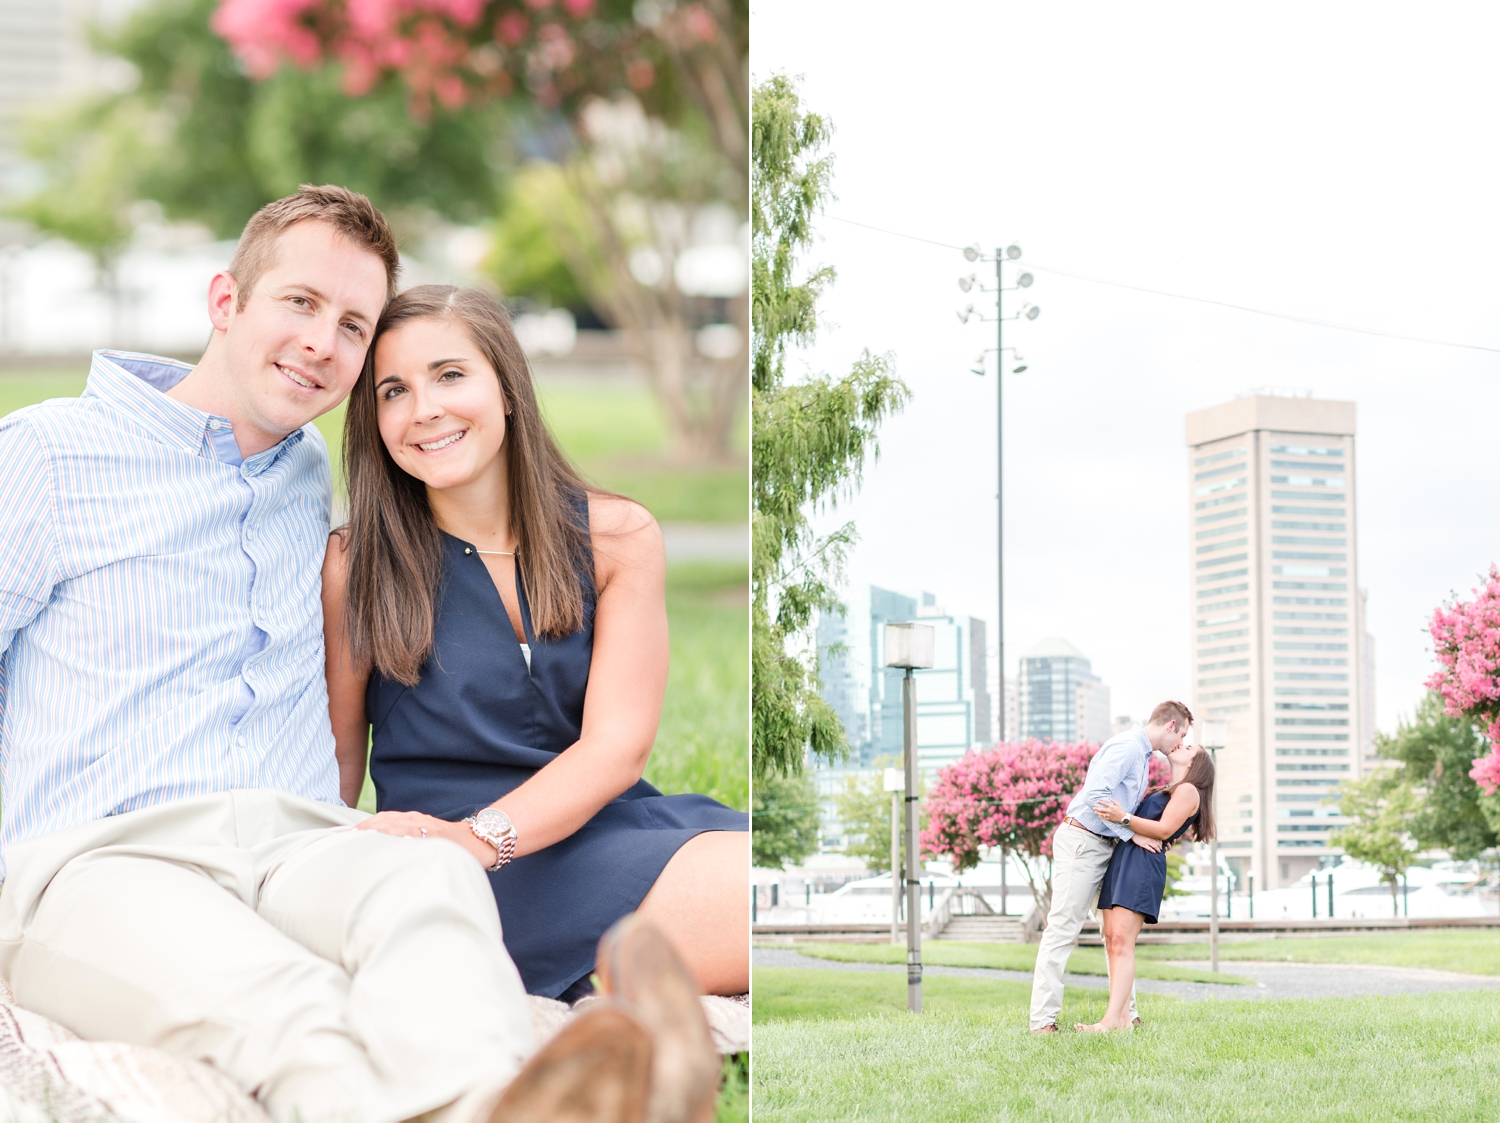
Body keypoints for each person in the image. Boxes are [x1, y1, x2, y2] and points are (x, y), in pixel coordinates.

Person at [0, 185, 685, 1123]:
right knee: (290, 1006)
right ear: (225, 301)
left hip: (300, 842)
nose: (324, 342)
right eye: (300, 303)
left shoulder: (301, 470)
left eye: (353, 324)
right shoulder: (45, 457)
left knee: (430, 884)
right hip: (104, 858)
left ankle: (503, 1102)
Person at [322, 284, 750, 1005]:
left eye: (451, 375)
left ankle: (599, 976)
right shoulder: (355, 561)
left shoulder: (615, 537)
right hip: (450, 864)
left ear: (508, 387)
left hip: (601, 831)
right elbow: (336, 756)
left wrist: (487, 835)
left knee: (779, 881)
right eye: (394, 390)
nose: (424, 408)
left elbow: (618, 748)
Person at [1028, 700, 1192, 1033]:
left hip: (1107, 846)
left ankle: (1124, 1017)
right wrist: (1130, 834)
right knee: (1062, 929)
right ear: (1171, 725)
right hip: (1083, 842)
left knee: (1115, 935)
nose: (1181, 743)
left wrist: (1153, 833)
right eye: (1183, 734)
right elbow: (1095, 794)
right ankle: (1042, 1022)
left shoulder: (1143, 756)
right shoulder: (1128, 747)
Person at [1075, 740, 1216, 1032]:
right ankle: (1123, 1019)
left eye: (1190, 748)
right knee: (1114, 941)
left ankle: (1111, 1021)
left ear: (1196, 764)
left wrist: (1122, 817)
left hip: (1141, 865)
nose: (1181, 745)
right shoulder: (1169, 789)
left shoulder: (1189, 791)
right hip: (1126, 858)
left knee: (1122, 943)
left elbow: (1164, 829)